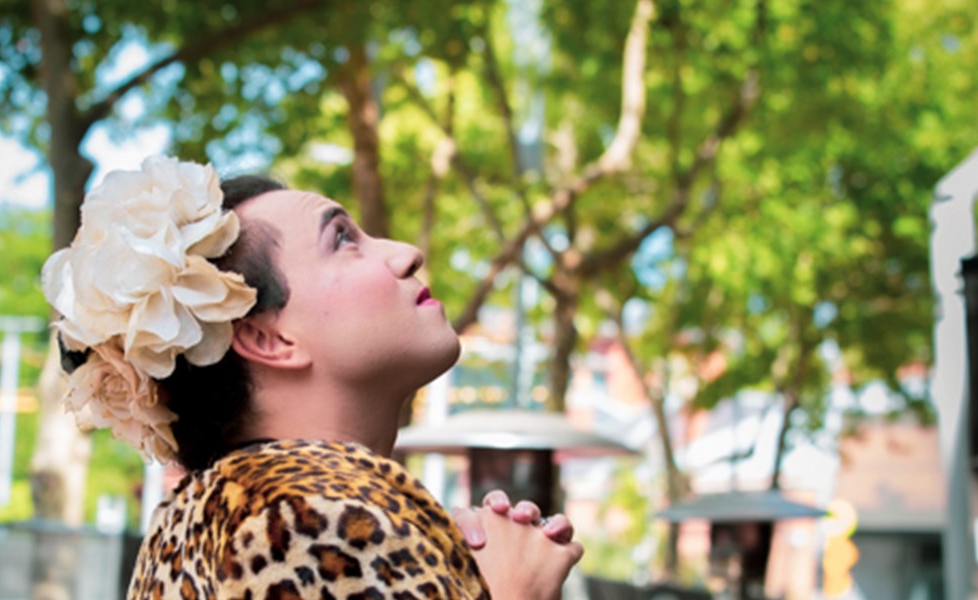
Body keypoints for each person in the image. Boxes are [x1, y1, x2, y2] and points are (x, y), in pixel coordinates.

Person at [43, 155, 583, 599]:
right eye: (344, 239)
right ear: (267, 338)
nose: (406, 254)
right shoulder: (299, 520)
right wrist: (517, 592)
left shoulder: (217, 517)